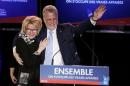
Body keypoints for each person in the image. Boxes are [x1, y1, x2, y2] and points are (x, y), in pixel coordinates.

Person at [12, 4, 106, 85]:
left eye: (54, 19)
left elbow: (79, 29)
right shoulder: (39, 33)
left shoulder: (66, 29)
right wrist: (14, 50)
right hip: (43, 76)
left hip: (64, 76)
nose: (52, 22)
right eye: (49, 19)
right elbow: (20, 36)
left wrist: (93, 18)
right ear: (44, 19)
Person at [10, 16, 48, 86]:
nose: (31, 32)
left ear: (38, 30)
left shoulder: (37, 42)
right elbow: (29, 62)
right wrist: (39, 50)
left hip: (38, 77)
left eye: (34, 29)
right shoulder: (20, 40)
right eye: (29, 29)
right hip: (24, 76)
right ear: (25, 29)